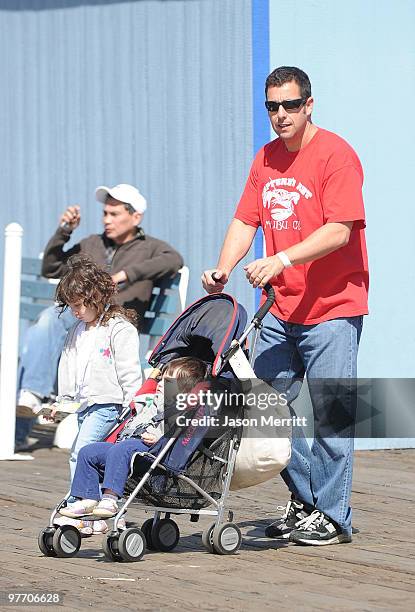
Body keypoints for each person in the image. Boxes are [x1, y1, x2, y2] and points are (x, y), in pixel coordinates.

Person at [202, 66, 368, 546]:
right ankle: (306, 503)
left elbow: (339, 230)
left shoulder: (337, 156)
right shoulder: (267, 158)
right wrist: (223, 267)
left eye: (290, 105)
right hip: (278, 311)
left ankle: (333, 518)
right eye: (272, 106)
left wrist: (281, 258)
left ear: (309, 104)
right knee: (268, 417)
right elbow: (244, 220)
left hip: (335, 309)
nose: (280, 115)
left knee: (333, 416)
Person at [16, 183, 183, 448]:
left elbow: (174, 260)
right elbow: (51, 268)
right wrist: (64, 231)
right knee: (46, 324)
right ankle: (32, 399)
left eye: (114, 214)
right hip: (81, 320)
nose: (107, 220)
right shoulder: (91, 243)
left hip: (113, 326)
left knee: (44, 333)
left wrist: (127, 274)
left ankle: (28, 408)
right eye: (105, 213)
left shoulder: (151, 247)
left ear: (135, 216)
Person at [59, 357, 208, 521]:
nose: (159, 384)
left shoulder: (181, 406)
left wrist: (159, 437)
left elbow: (177, 429)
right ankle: (87, 498)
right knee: (89, 452)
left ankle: (110, 498)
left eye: (167, 382)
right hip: (130, 444)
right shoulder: (153, 400)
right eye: (160, 379)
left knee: (122, 448)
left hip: (154, 451)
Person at [53, 254, 142, 482]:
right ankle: (101, 506)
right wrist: (62, 401)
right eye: (70, 306)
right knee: (96, 456)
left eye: (78, 305)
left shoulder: (118, 329)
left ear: (96, 296)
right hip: (84, 405)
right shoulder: (76, 330)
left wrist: (133, 406)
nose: (75, 311)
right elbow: (67, 364)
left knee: (80, 453)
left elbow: (129, 370)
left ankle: (78, 504)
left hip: (108, 404)